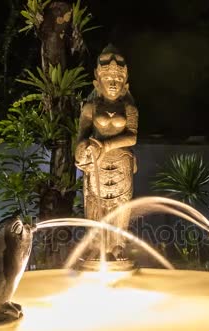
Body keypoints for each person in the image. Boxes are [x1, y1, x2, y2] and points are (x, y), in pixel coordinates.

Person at [75, 45, 138, 259]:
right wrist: (83, 150)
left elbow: (132, 137)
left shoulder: (129, 109)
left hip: (122, 162)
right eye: (108, 77)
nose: (113, 82)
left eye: (118, 79)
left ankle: (118, 245)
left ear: (125, 83)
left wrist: (106, 145)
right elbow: (81, 136)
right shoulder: (90, 108)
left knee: (120, 206)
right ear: (98, 81)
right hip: (96, 163)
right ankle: (95, 246)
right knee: (94, 204)